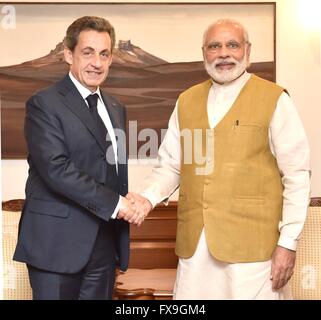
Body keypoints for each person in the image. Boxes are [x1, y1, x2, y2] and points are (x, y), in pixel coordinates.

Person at [128, 19, 311, 299]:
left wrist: (288, 243)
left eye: (232, 45)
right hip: (196, 250)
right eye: (214, 46)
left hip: (253, 253)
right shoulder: (186, 101)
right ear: (204, 53)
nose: (223, 53)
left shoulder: (275, 99)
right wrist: (147, 197)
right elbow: (171, 165)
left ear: (247, 51)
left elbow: (297, 174)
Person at [13, 16, 142, 300]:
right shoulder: (44, 104)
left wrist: (126, 199)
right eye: (88, 52)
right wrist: (118, 203)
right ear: (68, 54)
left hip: (105, 246)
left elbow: (110, 172)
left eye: (104, 54)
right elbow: (56, 169)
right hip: (56, 247)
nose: (97, 62)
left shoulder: (115, 108)